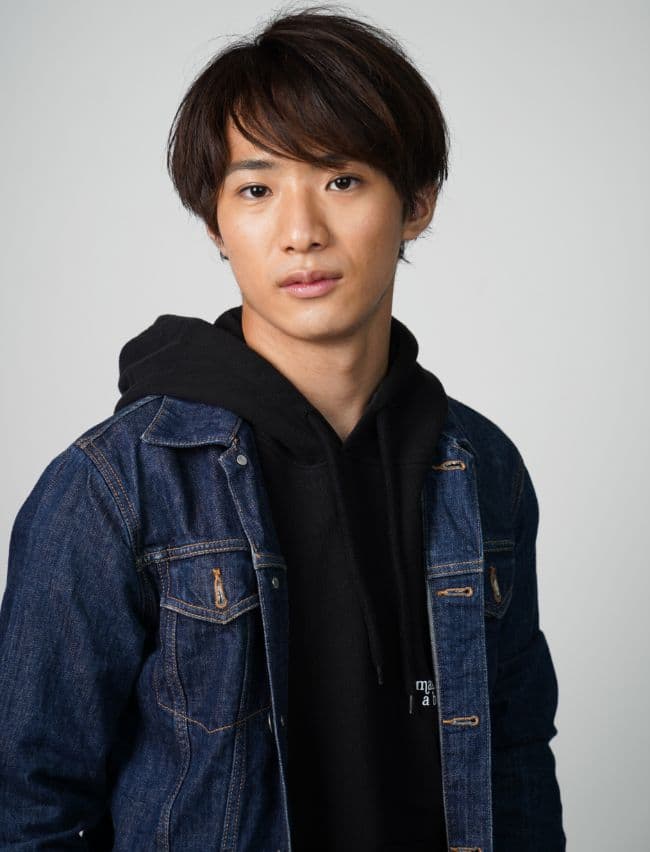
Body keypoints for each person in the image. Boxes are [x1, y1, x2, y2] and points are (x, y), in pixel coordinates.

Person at [0, 4, 565, 850]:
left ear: (416, 203)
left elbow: (514, 760)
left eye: (342, 180)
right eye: (257, 189)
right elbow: (27, 804)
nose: (301, 233)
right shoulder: (118, 484)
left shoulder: (481, 466)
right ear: (216, 223)